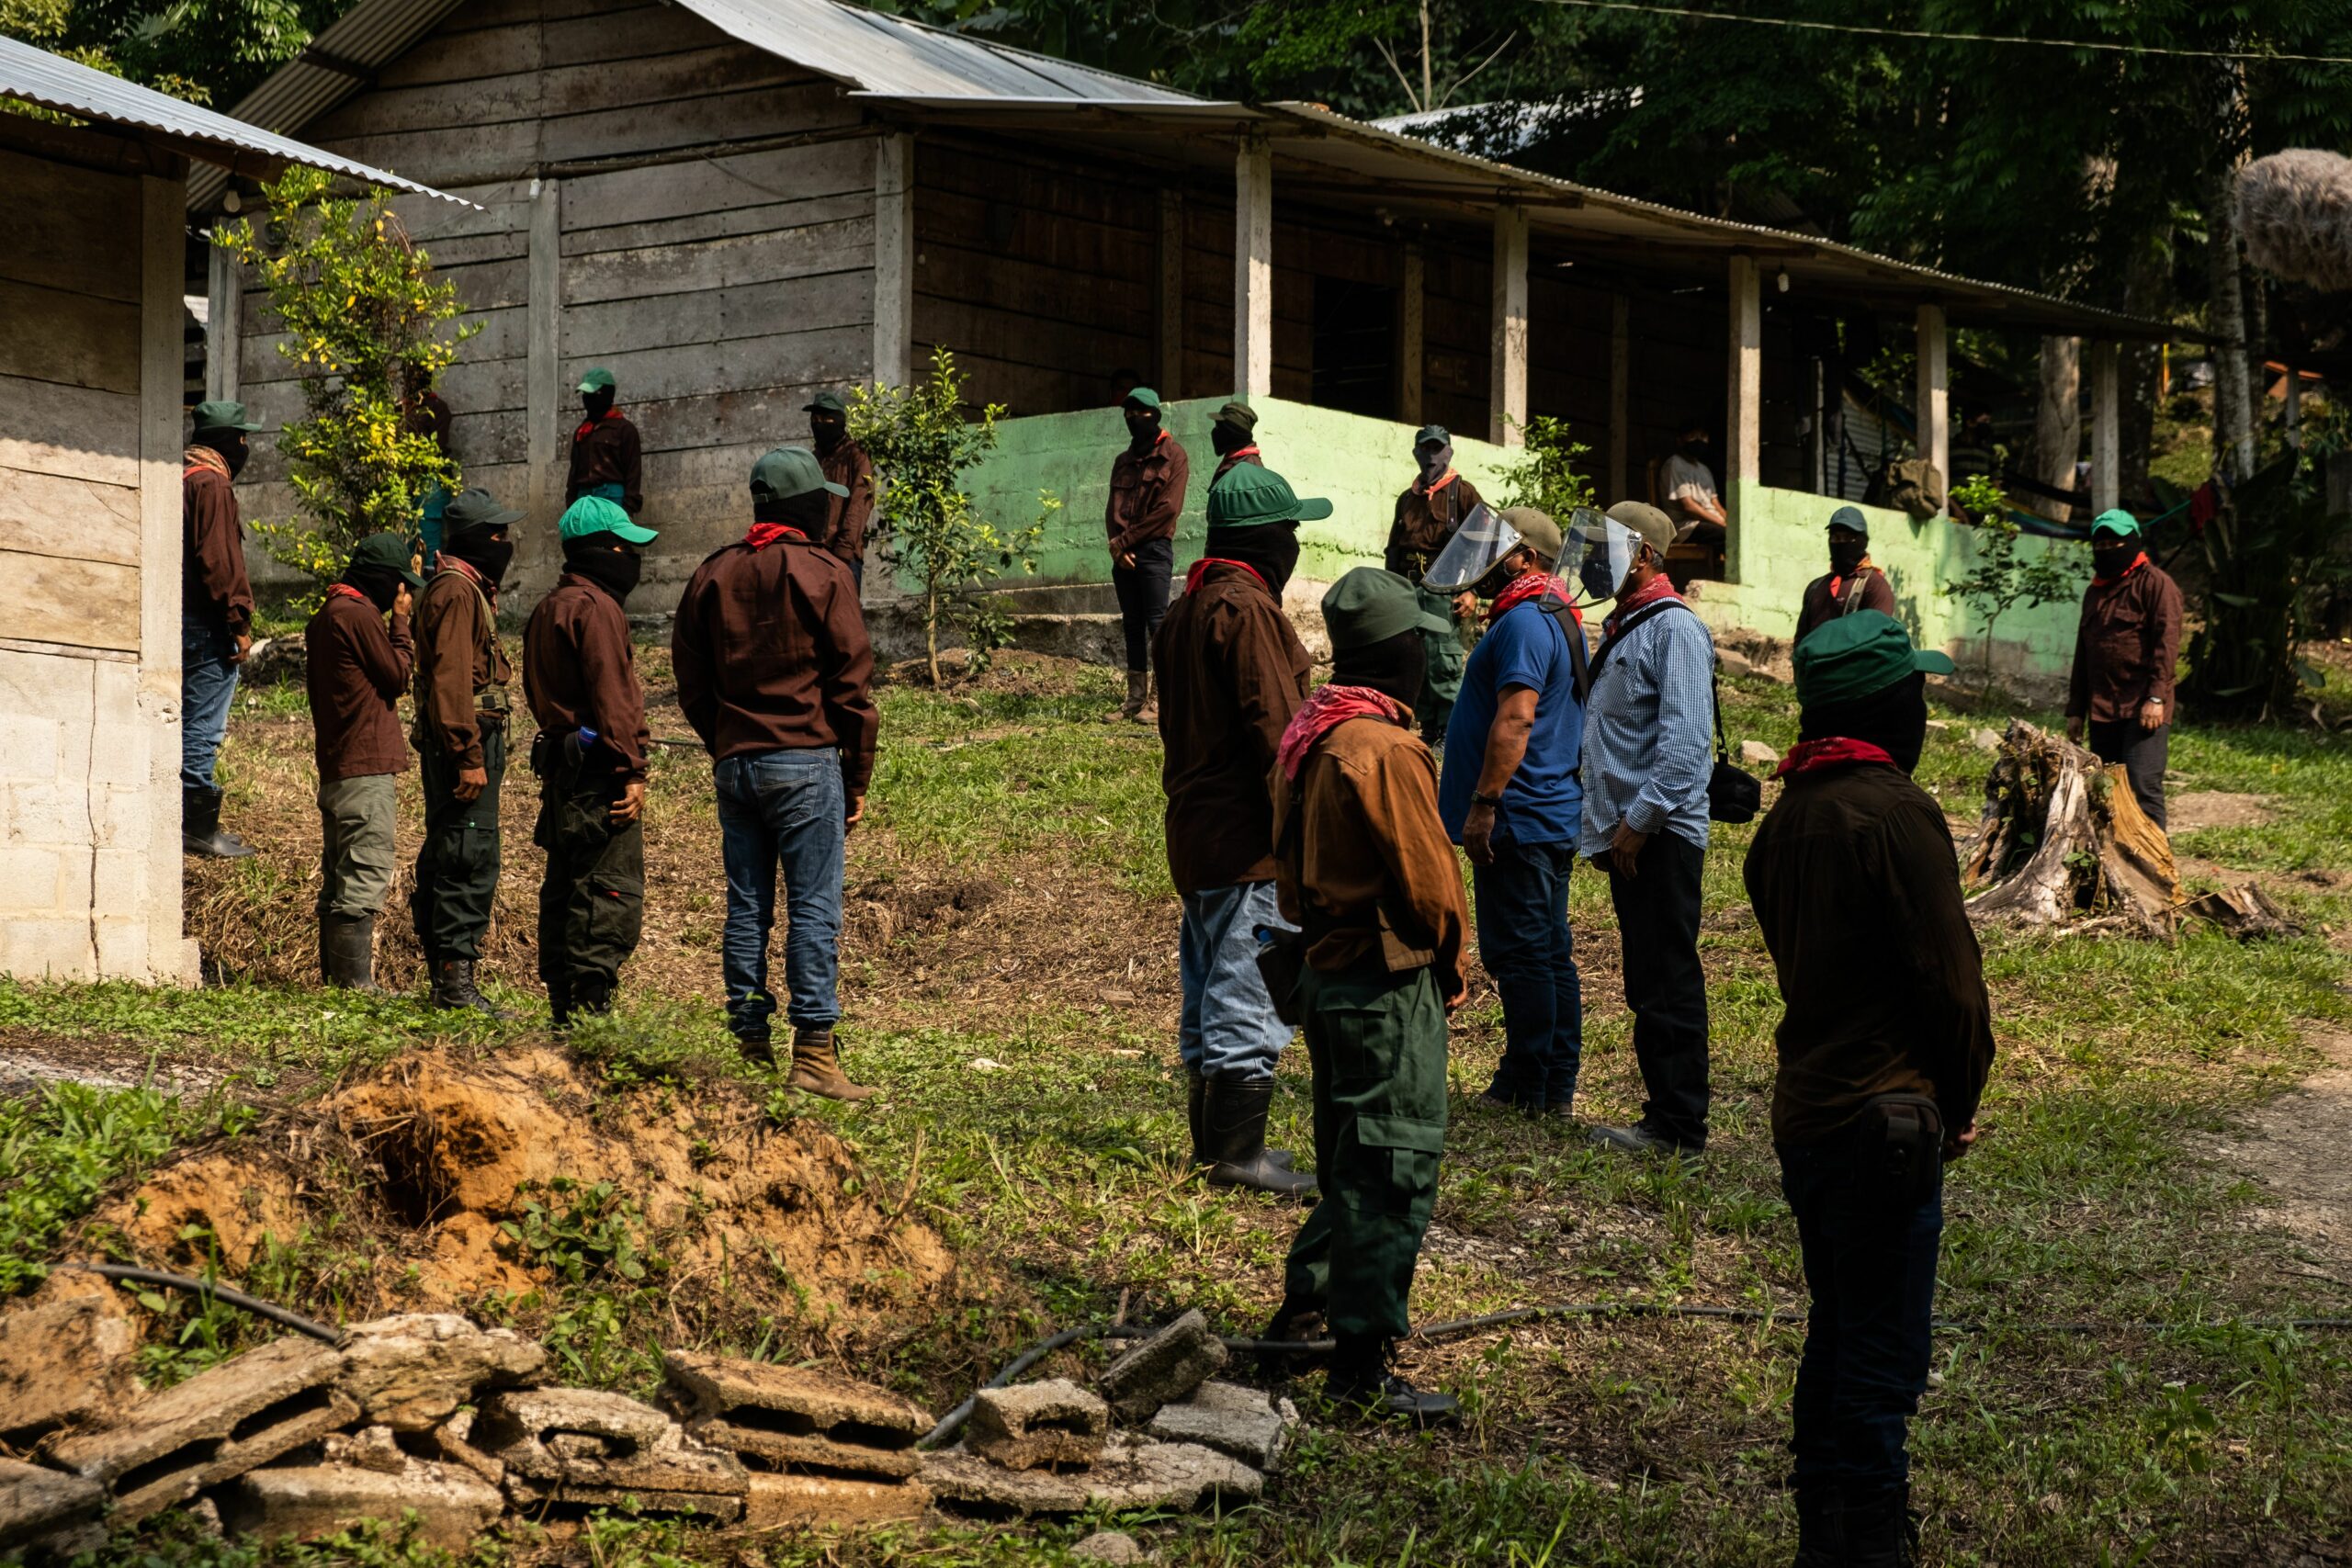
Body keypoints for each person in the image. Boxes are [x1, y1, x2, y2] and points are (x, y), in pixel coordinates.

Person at [1744, 611, 1995, 1567]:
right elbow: (1950, 981)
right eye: (1917, 694)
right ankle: (1871, 1542)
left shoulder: (1790, 816)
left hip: (1809, 1114)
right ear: (1893, 707)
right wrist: (1960, 1102)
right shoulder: (1892, 812)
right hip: (1882, 1125)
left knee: (1837, 1328)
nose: (1924, 709)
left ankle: (1823, 1533)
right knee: (1881, 1357)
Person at [1262, 568, 1469, 1423]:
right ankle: (1360, 1363)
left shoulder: (1315, 734)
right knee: (1392, 1165)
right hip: (1384, 984)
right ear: (1400, 654)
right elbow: (1430, 886)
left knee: (1351, 1154)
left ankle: (1307, 1311)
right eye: (1422, 642)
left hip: (1327, 975)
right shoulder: (1383, 748)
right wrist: (1452, 964)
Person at [673, 448, 881, 1100]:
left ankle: (748, 1045)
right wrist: (857, 777)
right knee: (813, 908)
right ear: (807, 507)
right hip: (805, 762)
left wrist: (725, 740)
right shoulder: (824, 573)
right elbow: (852, 686)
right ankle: (814, 1054)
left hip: (737, 767)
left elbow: (690, 679)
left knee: (748, 908)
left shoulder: (712, 573)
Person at [1154, 463, 1322, 1198]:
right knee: (1246, 989)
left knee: (1208, 983)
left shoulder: (1184, 608)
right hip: (1248, 836)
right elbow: (1278, 735)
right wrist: (1306, 830)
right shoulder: (1246, 610)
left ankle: (1212, 1143)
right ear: (1269, 541)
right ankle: (1237, 1153)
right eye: (1292, 532)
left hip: (1195, 832)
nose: (1296, 547)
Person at [1574, 501, 1717, 1156]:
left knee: (1668, 979)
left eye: (1608, 546)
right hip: (1632, 837)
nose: (1594, 558)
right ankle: (1663, 1114)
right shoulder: (1626, 625)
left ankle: (1679, 1128)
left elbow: (1687, 745)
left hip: (1657, 837)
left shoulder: (1674, 629)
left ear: (1646, 556)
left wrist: (1636, 821)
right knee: (1647, 980)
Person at [1436, 507, 1589, 1119]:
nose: (1488, 565)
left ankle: (1532, 1083)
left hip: (1519, 815)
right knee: (1547, 951)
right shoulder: (1557, 614)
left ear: (1523, 557)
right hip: (1544, 812)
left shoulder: (1526, 620)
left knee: (1523, 953)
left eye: (1500, 552)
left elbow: (1518, 716)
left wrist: (1484, 804)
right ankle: (1545, 1082)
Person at [524, 496, 657, 1028]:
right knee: (607, 891)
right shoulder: (597, 609)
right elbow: (614, 700)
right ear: (605, 550)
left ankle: (563, 1011)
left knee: (564, 888)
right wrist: (632, 770)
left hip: (561, 771)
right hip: (599, 775)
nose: (632, 558)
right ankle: (590, 1015)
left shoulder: (547, 607)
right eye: (626, 547)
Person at [410, 487, 522, 1017]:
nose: (506, 542)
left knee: (456, 848)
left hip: (468, 739)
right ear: (478, 539)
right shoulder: (456, 591)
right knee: (467, 853)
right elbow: (452, 680)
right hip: (465, 742)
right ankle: (454, 983)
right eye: (498, 534)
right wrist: (467, 754)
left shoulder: (460, 586)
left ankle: (447, 979)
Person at [304, 534, 420, 991]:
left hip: (337, 769)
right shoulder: (358, 615)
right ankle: (356, 989)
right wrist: (401, 624)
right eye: (397, 585)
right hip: (365, 768)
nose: (400, 594)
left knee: (338, 878)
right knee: (364, 873)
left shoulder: (326, 615)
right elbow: (396, 677)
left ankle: (339, 983)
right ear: (381, 580)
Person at [183, 399, 266, 859]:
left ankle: (191, 822)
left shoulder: (183, 477)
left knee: (189, 723)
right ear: (224, 441)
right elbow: (217, 562)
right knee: (202, 728)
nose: (246, 445)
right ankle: (196, 829)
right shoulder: (212, 483)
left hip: (185, 620)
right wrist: (237, 623)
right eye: (242, 437)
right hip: (207, 624)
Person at [2064, 510, 2183, 829]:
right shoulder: (2095, 592)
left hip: (2142, 708)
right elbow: (2084, 654)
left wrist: (2156, 698)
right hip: (2102, 708)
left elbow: (2166, 646)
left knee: (2143, 788)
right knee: (2105, 791)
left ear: (2132, 541)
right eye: (2100, 543)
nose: (2106, 549)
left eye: (2114, 542)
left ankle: (2156, 869)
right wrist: (2076, 710)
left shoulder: (2157, 585)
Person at [1383, 424, 1483, 745]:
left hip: (1446, 590)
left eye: (1437, 448)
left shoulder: (1463, 493)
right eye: (1425, 449)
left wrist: (1473, 590)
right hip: (1410, 589)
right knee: (1416, 657)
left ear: (1449, 451)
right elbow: (1394, 549)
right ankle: (1429, 728)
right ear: (1416, 452)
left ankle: (1449, 732)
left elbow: (1484, 546)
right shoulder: (1407, 499)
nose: (1431, 456)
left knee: (1445, 660)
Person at [1104, 387, 1189, 723]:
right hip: (1122, 553)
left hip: (1153, 549)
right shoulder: (1122, 462)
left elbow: (1168, 510)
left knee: (1158, 625)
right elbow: (1111, 509)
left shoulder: (1174, 456)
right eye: (1126, 413)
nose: (1130, 419)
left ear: (1153, 415)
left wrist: (1125, 541)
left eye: (1137, 413)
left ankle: (1161, 701)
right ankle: (1134, 700)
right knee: (1132, 625)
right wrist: (1116, 544)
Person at [1793, 505, 1897, 647]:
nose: (1841, 543)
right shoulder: (1815, 587)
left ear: (1862, 541)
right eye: (1836, 538)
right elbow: (1800, 642)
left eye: (1848, 538)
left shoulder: (1873, 585)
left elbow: (1877, 643)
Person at [806, 391, 876, 593]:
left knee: (844, 619)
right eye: (815, 419)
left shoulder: (856, 456)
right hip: (813, 553)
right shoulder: (813, 459)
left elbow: (860, 504)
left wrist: (843, 551)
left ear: (838, 420)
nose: (819, 424)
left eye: (826, 419)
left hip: (843, 557)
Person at [566, 367, 644, 516]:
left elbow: (633, 472)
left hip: (613, 500)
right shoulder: (582, 432)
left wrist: (627, 509)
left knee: (610, 540)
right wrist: (571, 506)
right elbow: (573, 474)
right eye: (585, 395)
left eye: (592, 394)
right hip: (584, 501)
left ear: (606, 394)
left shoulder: (624, 429)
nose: (587, 399)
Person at [1660, 421, 1727, 546]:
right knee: (1727, 535)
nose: (1698, 440)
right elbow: (1689, 507)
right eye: (1692, 436)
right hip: (1686, 527)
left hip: (1711, 521)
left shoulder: (1703, 469)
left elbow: (1715, 503)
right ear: (1680, 440)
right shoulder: (1675, 464)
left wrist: (1731, 522)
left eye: (1702, 436)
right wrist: (1722, 524)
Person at [1209, 400, 1264, 484]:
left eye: (1219, 426)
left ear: (1233, 431)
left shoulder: (1249, 467)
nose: (1215, 431)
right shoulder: (1233, 460)